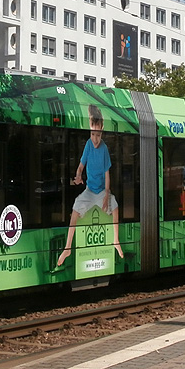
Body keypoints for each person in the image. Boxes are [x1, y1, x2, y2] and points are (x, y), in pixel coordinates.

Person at [57, 104, 123, 266]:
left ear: (102, 131)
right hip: (89, 190)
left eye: (98, 135)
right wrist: (78, 176)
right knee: (74, 210)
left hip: (101, 191)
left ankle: (116, 240)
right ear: (90, 132)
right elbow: (81, 166)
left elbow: (107, 176)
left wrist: (107, 196)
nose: (95, 138)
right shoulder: (88, 145)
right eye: (92, 134)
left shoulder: (104, 149)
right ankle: (67, 247)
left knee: (114, 207)